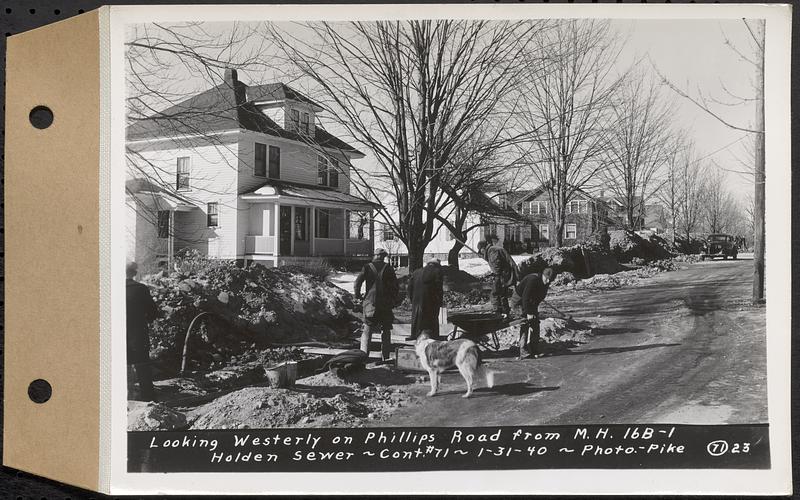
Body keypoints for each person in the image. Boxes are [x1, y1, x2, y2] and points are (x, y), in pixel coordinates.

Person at [354, 248, 399, 362]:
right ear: (383, 256)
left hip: (371, 304)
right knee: (386, 330)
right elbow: (395, 287)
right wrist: (393, 300)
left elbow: (357, 283)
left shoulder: (367, 267)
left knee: (367, 329)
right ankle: (386, 358)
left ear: (375, 255)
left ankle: (363, 357)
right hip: (385, 304)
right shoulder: (388, 268)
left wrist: (358, 296)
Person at [126, 261, 159, 401]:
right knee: (143, 369)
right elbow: (153, 312)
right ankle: (148, 400)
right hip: (137, 336)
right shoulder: (140, 289)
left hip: (116, 337)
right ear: (134, 273)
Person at [510, 267, 555, 359]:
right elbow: (525, 298)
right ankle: (523, 351)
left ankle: (535, 350)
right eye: (546, 279)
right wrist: (528, 313)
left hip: (531, 302)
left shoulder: (546, 283)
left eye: (549, 280)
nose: (547, 282)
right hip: (519, 301)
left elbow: (540, 297)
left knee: (535, 323)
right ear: (543, 275)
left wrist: (534, 311)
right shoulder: (533, 280)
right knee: (525, 322)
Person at [477, 235, 519, 317]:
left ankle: (497, 312)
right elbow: (491, 259)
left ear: (483, 248)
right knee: (502, 294)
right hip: (506, 274)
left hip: (502, 275)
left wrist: (496, 275)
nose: (481, 252)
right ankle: (505, 312)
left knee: (495, 293)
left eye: (481, 250)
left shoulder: (492, 251)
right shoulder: (493, 249)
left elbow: (496, 263)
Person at [407, 258, 444, 341]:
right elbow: (439, 288)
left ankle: (414, 335)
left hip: (416, 300)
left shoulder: (416, 272)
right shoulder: (437, 271)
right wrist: (439, 301)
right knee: (431, 319)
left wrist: (412, 299)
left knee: (416, 318)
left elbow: (409, 287)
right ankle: (432, 337)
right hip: (430, 301)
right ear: (437, 265)